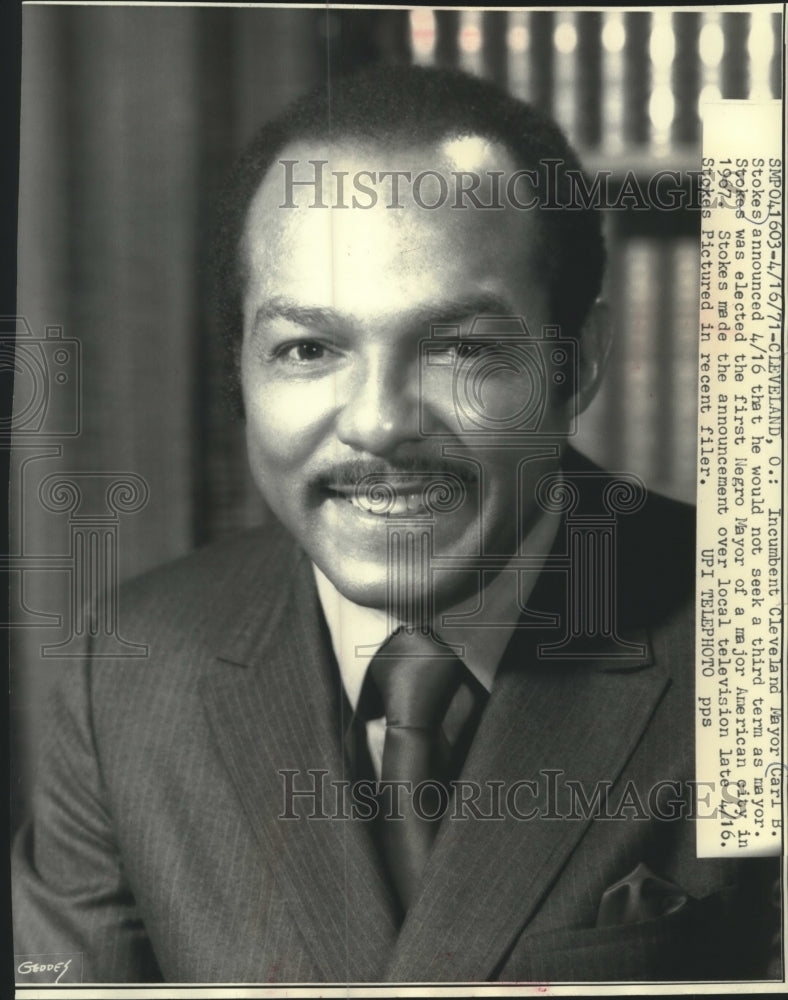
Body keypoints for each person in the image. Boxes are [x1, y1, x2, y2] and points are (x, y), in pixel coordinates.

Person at [12, 64, 779, 985]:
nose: (379, 423)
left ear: (579, 365)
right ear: (242, 374)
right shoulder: (129, 674)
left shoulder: (754, 644)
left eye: (462, 347)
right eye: (308, 348)